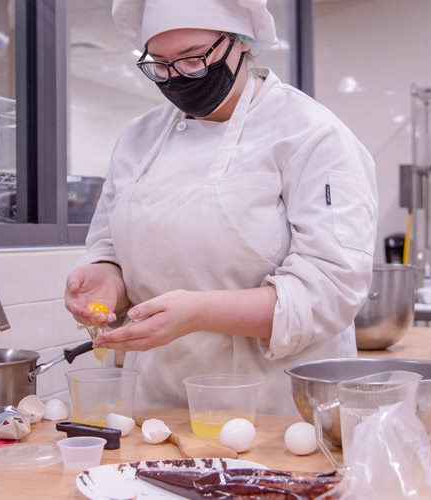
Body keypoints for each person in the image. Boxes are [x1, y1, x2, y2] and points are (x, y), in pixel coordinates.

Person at [63, 0, 377, 415]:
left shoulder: (310, 134)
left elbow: (330, 292)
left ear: (240, 44)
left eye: (193, 59)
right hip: (162, 401)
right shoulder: (138, 138)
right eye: (160, 63)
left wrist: (199, 312)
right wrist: (108, 281)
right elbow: (110, 245)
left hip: (277, 404)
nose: (177, 77)